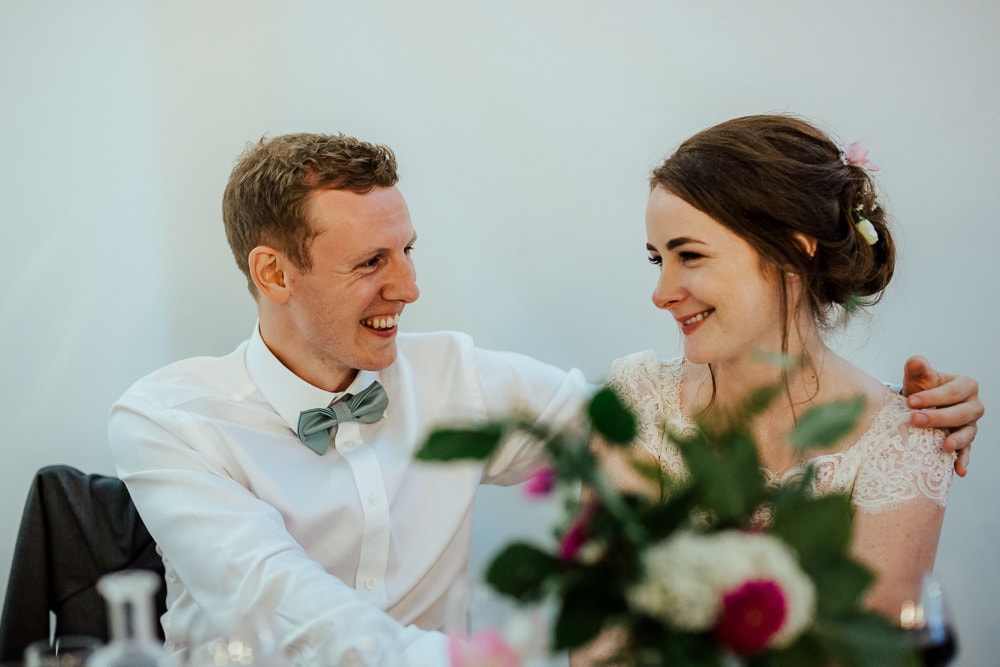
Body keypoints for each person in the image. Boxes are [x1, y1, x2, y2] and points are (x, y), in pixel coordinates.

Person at [108, 132, 982, 666]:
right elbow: (274, 598)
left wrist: (916, 415)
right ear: (273, 272)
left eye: (408, 249)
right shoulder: (168, 419)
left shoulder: (459, 376)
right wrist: (468, 660)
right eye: (372, 263)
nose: (409, 288)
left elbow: (647, 425)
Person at [597, 114, 967, 626]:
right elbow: (603, 642)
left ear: (795, 249)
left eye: (690, 255)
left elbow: (867, 654)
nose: (661, 294)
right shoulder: (636, 402)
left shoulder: (904, 442)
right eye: (658, 259)